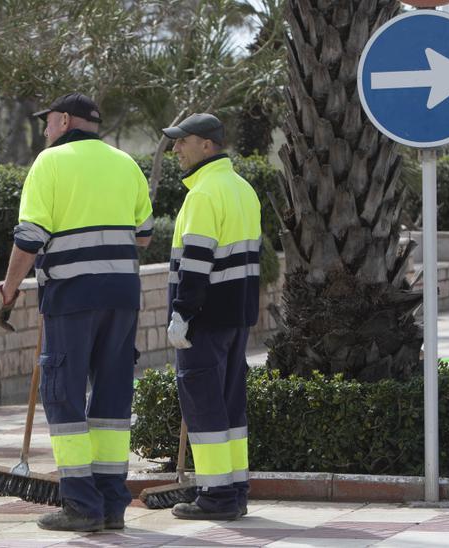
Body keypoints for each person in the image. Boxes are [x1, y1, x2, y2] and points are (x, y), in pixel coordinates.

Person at [0, 92, 153, 532]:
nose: (44, 130)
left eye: (47, 122)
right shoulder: (126, 163)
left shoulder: (49, 164)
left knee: (63, 393)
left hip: (72, 296)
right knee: (112, 397)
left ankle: (81, 504)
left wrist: (9, 290)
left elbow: (29, 237)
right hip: (123, 295)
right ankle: (111, 504)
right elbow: (143, 236)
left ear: (65, 120)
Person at [162, 113, 261, 520]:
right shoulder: (242, 189)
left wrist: (182, 314)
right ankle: (235, 489)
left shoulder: (203, 194)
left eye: (182, 141)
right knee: (230, 404)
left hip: (203, 319)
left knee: (203, 404)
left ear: (207, 145)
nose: (175, 149)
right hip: (236, 316)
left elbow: (197, 262)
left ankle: (216, 496)